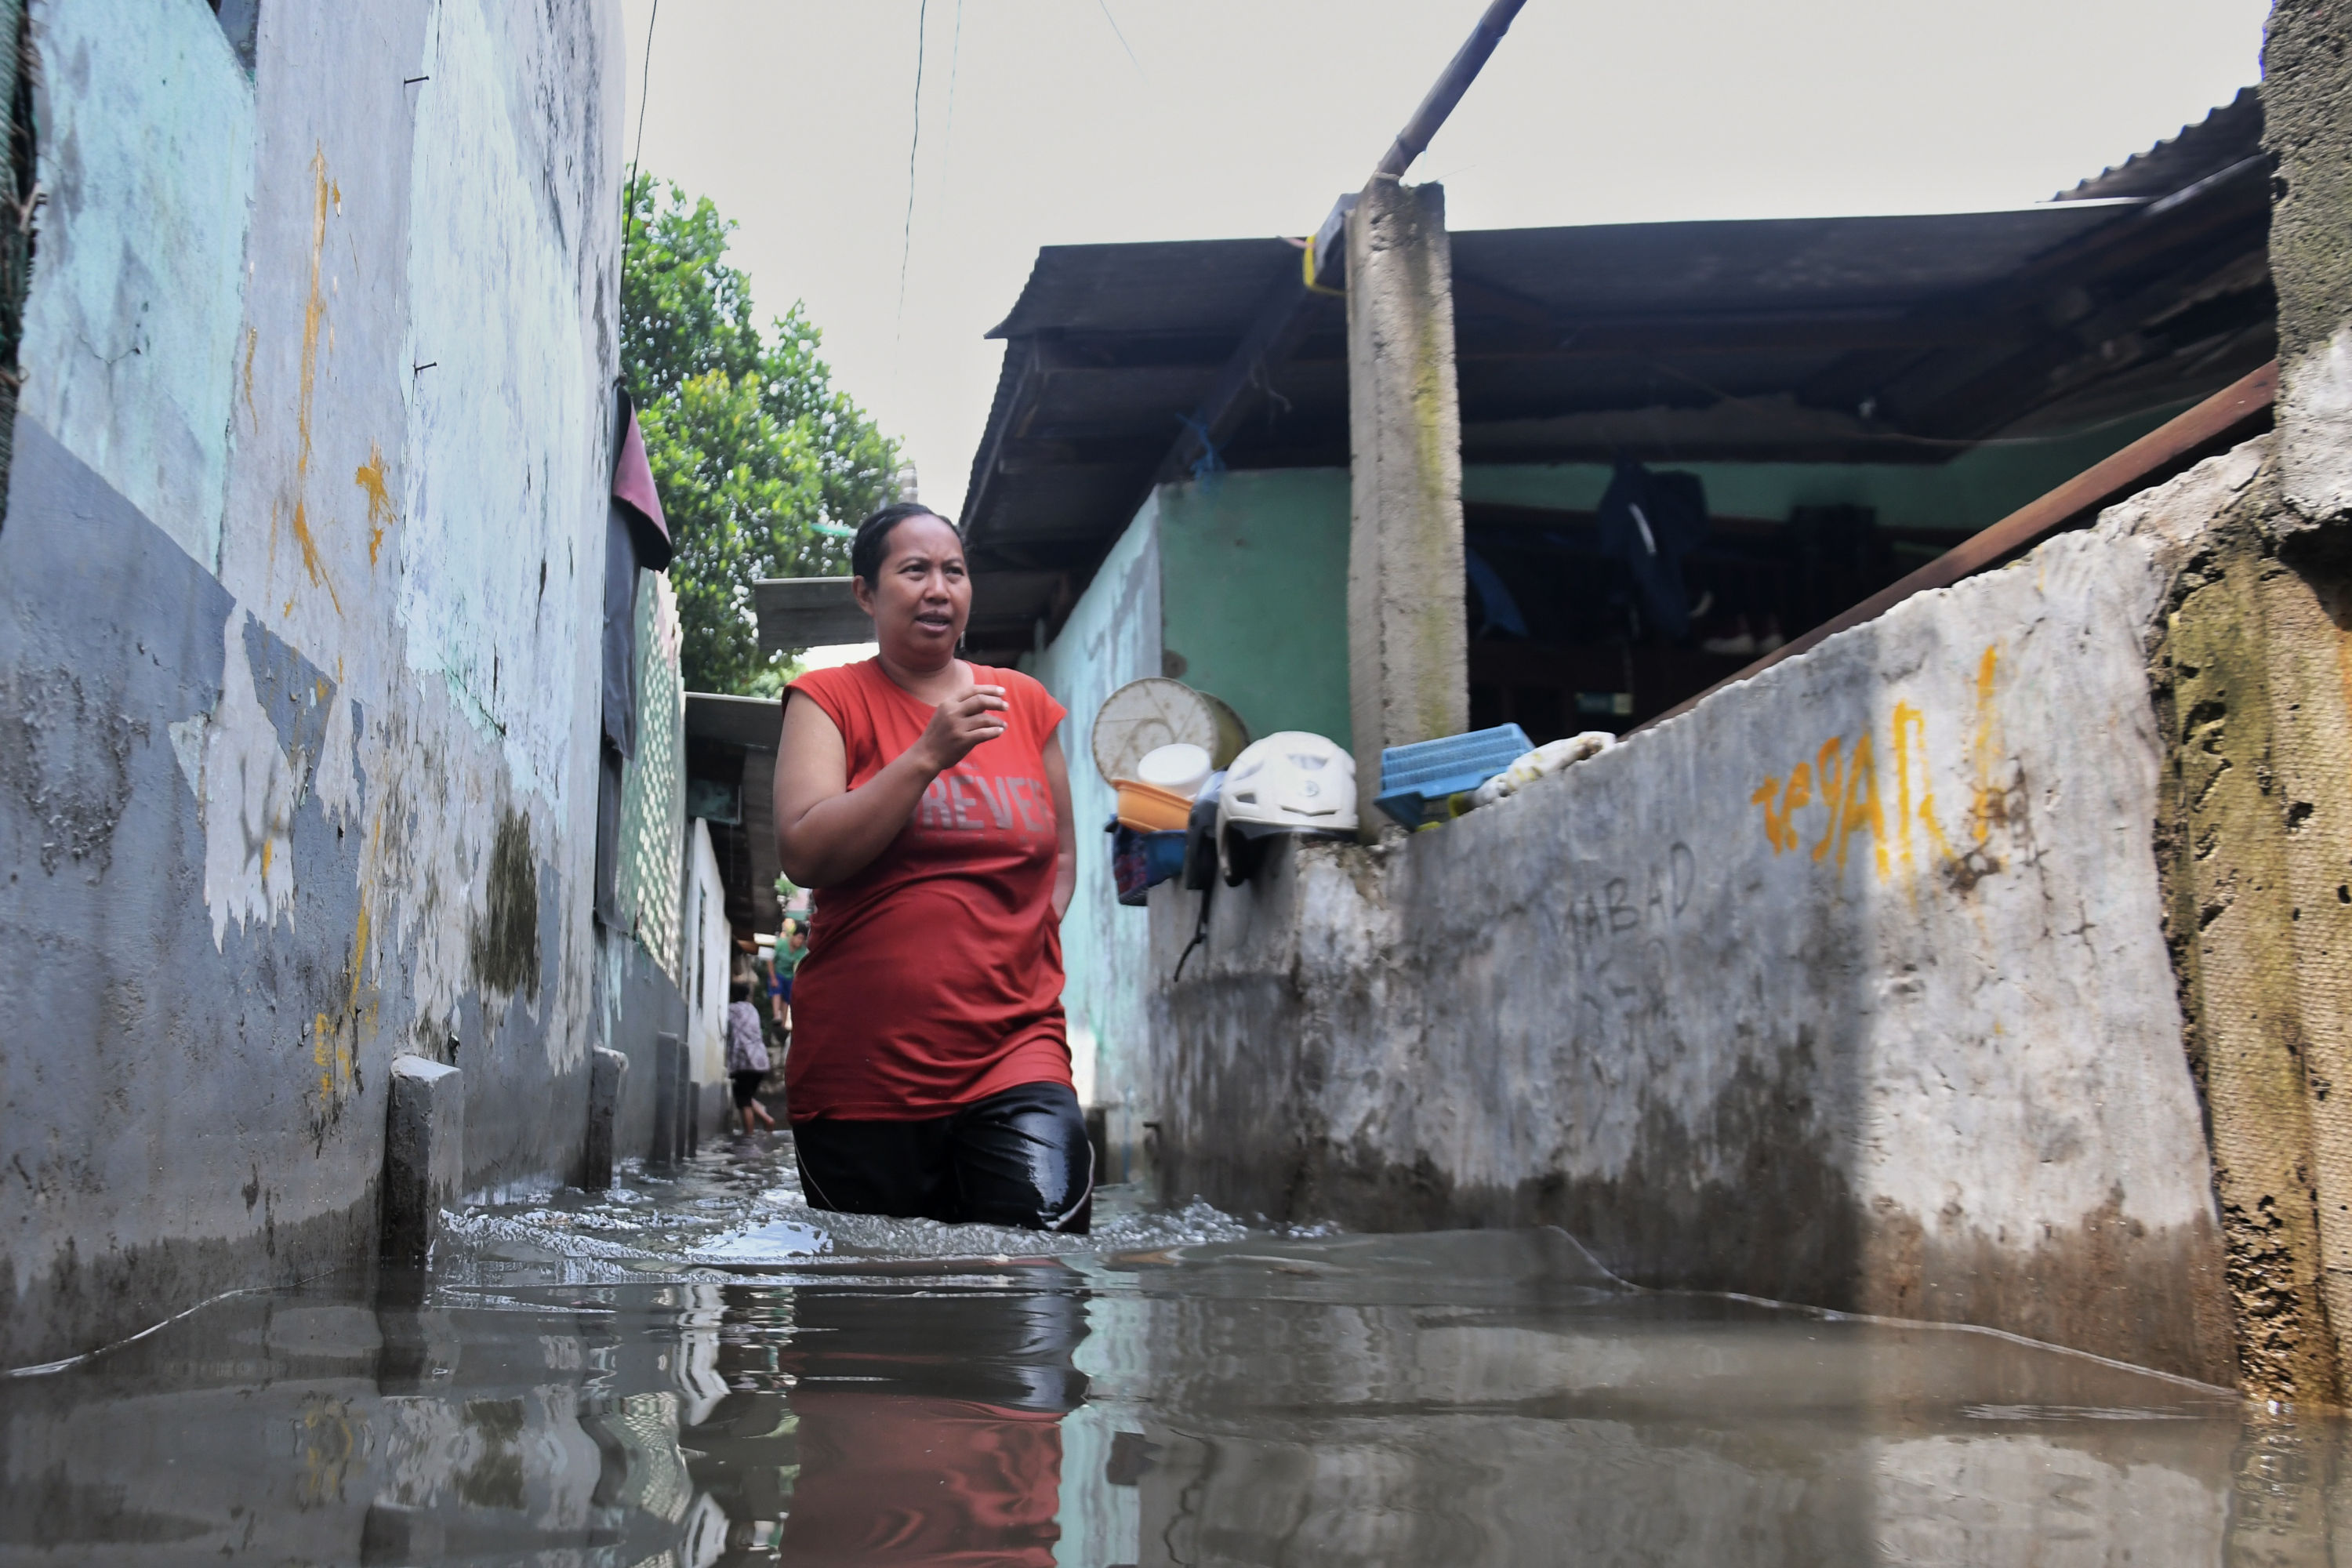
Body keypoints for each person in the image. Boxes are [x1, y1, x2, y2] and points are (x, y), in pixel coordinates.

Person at [772, 501, 1088, 1232]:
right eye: (913, 571)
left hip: (1017, 1047)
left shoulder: (1026, 704)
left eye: (954, 571)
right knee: (881, 1318)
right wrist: (924, 757)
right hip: (864, 1072)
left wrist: (1020, 938)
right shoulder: (828, 699)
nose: (938, 589)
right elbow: (804, 849)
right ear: (866, 592)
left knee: (1033, 1283)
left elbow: (1063, 851)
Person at [725, 977, 776, 1134]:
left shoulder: (732, 1010)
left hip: (745, 1061)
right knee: (744, 1094)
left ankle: (749, 1137)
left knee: (744, 1100)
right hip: (760, 1061)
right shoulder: (752, 1010)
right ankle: (766, 1118)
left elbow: (726, 1029)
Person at [769, 917, 806, 1033]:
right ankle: (776, 1016)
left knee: (787, 999)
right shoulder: (781, 943)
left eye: (803, 939)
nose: (800, 941)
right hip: (777, 973)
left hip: (789, 976)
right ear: (794, 936)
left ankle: (783, 1024)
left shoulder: (801, 950)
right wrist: (773, 978)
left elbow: (799, 966)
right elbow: (770, 960)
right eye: (799, 937)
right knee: (777, 990)